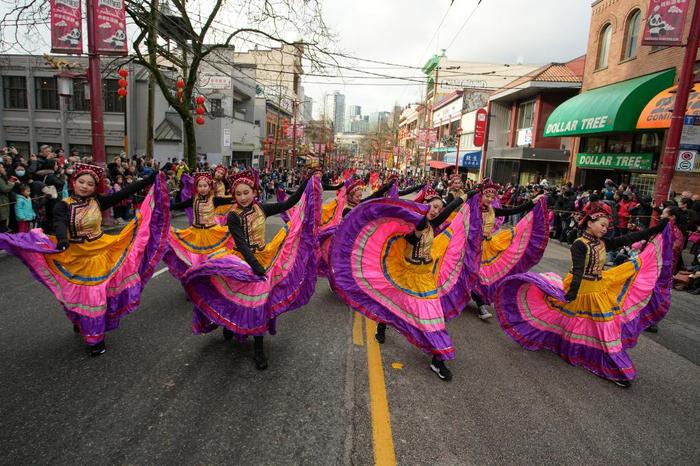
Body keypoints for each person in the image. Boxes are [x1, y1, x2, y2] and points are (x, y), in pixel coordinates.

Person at [0, 164, 169, 356]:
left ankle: (95, 338)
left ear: (95, 187)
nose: (85, 186)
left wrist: (149, 179)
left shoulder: (98, 201)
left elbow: (125, 192)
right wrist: (62, 240)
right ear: (74, 182)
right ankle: (81, 320)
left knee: (95, 294)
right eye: (81, 182)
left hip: (100, 252)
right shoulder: (63, 205)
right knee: (78, 294)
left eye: (90, 184)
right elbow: (60, 223)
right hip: (75, 254)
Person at [494, 206, 671, 388]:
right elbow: (578, 270)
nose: (604, 229)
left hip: (598, 288)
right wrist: (572, 292)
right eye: (602, 225)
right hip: (581, 288)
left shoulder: (603, 243)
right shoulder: (580, 244)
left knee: (598, 326)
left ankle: (610, 364)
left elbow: (629, 238)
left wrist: (657, 229)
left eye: (606, 226)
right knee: (595, 326)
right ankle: (614, 368)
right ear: (590, 223)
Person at [330, 185, 482, 381]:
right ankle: (382, 326)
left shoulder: (433, 226)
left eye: (438, 208)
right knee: (390, 303)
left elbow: (451, 208)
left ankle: (438, 360)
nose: (435, 210)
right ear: (425, 206)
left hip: (425, 279)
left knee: (434, 317)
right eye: (432, 206)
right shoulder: (416, 226)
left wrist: (469, 194)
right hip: (404, 275)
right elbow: (417, 228)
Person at [182, 170, 322, 370]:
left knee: (259, 306)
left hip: (263, 257)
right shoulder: (233, 216)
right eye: (238, 194)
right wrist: (256, 268)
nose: (242, 197)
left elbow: (289, 204)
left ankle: (258, 348)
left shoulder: (262, 209)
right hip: (241, 261)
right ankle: (230, 323)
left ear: (254, 191)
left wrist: (308, 181)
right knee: (235, 299)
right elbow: (242, 244)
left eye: (246, 192)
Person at [472, 179, 547, 319]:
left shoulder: (493, 210)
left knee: (482, 276)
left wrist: (533, 202)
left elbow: (513, 210)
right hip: (472, 247)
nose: (489, 199)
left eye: (492, 197)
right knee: (472, 274)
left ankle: (480, 304)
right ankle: (474, 302)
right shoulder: (472, 209)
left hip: (488, 246)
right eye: (487, 196)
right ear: (480, 195)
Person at [163, 171, 236, 281]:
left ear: (209, 186)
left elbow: (232, 199)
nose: (202, 188)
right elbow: (177, 206)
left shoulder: (214, 200)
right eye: (200, 186)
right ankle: (197, 283)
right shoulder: (193, 200)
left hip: (211, 234)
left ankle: (212, 283)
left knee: (211, 260)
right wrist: (163, 206)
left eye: (205, 186)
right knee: (195, 261)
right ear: (196, 187)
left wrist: (245, 194)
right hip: (195, 233)